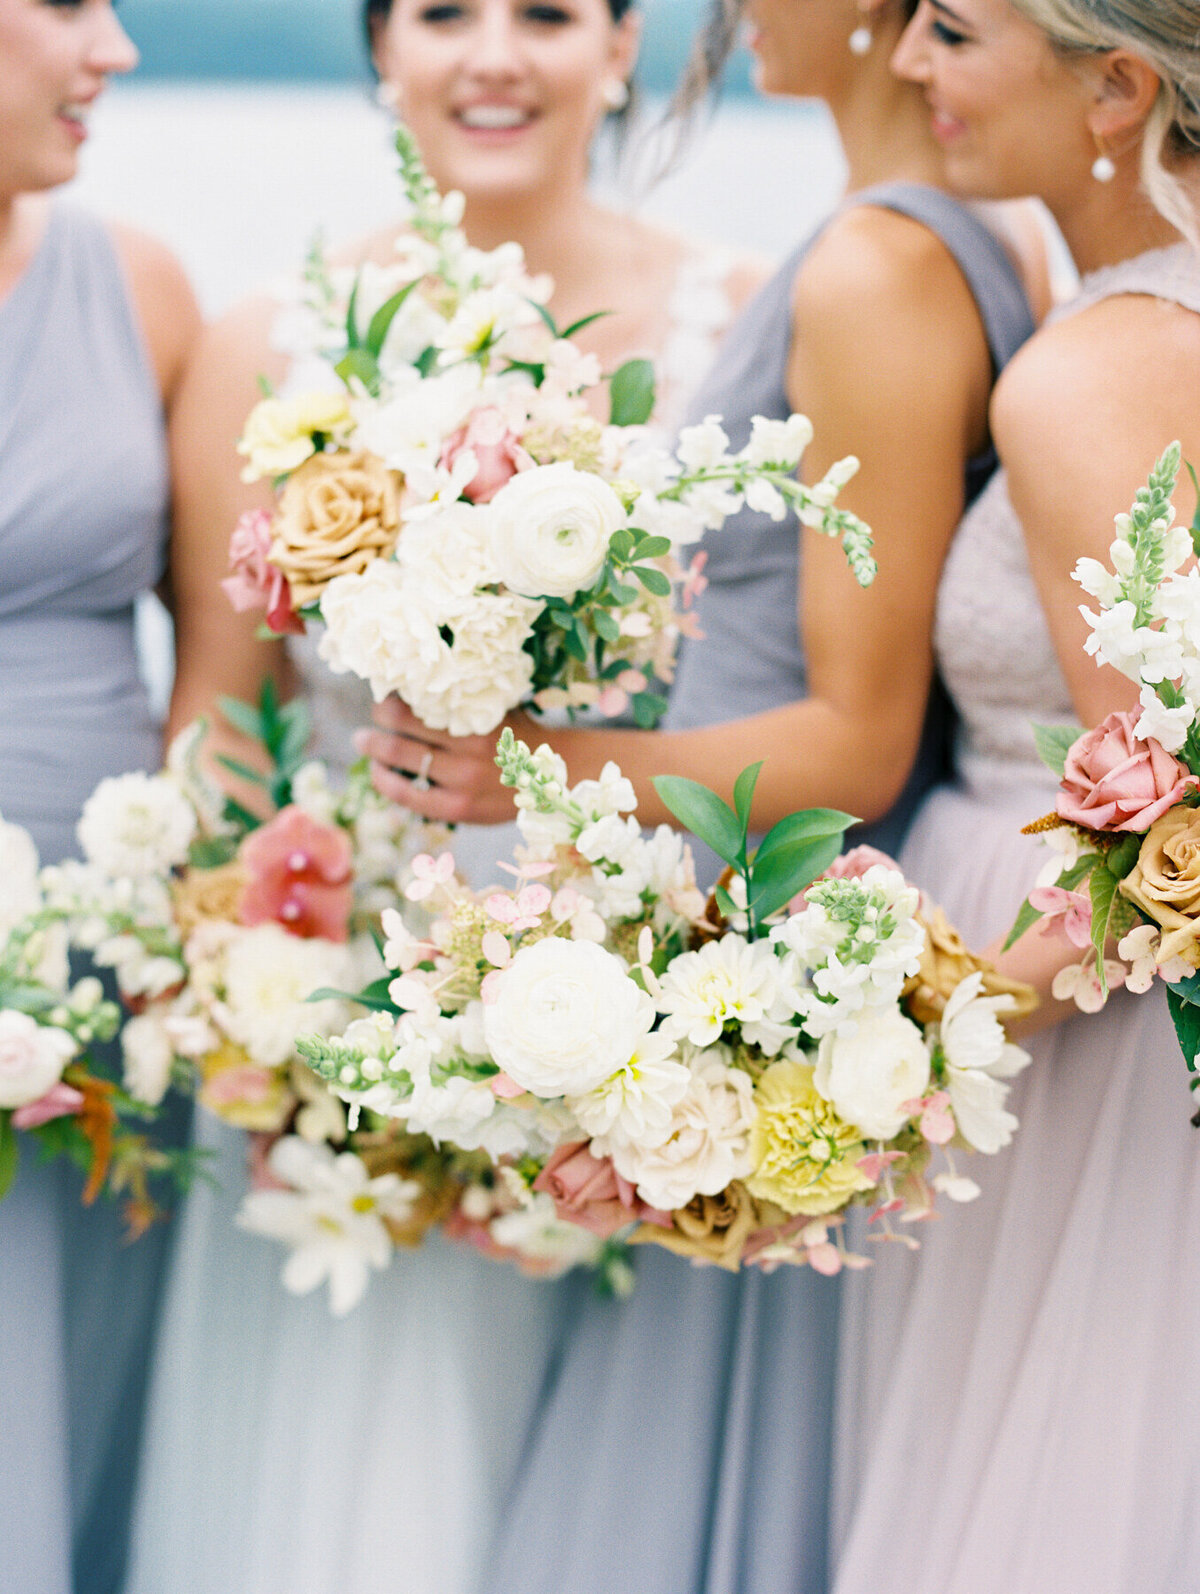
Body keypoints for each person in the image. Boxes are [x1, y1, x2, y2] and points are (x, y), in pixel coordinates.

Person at [356, 1, 1046, 1589]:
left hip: (772, 913)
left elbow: (864, 737)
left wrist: (522, 765)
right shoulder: (945, 232)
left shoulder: (875, 264)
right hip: (749, 925)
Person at [124, 6, 765, 1594]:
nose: (497, 54)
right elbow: (220, 708)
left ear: (622, 49)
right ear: (382, 54)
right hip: (343, 1018)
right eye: (443, 13)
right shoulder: (262, 341)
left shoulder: (734, 322)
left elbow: (766, 703)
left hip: (645, 1028)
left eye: (548, 14)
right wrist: (238, 981)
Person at [830, 3, 1200, 1590]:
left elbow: (1166, 830)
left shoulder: (1095, 371)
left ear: (1115, 87)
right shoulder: (1134, 317)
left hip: (1082, 1049)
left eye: (955, 30)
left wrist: (897, 1045)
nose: (909, 62)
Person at [0, 2, 201, 1592]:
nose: (118, 47)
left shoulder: (139, 283)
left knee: (71, 1392)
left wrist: (171, 928)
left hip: (103, 969)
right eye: (66, 0)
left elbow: (221, 672)